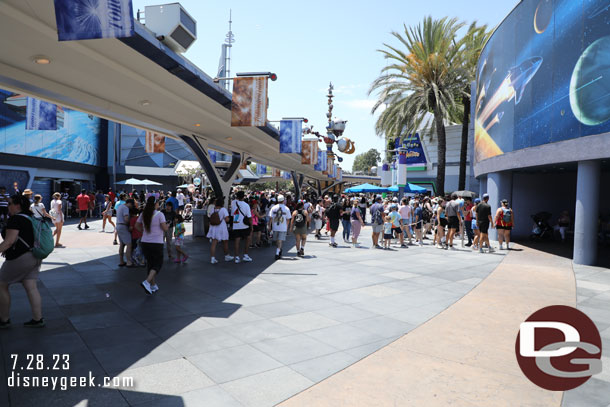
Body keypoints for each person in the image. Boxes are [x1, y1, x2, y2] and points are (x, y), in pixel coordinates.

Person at [0, 194, 45, 328]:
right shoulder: (30, 217)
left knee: (1, 285)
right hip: (35, 256)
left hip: (20, 258)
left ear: (17, 205)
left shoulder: (15, 220)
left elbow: (9, 242)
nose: (8, 206)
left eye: (10, 204)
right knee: (31, 287)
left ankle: (4, 319)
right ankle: (38, 319)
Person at [136, 197, 168, 295]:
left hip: (145, 242)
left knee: (150, 263)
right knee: (158, 263)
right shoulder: (160, 214)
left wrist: (144, 232)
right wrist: (168, 226)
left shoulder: (143, 214)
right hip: (156, 243)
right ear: (155, 204)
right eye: (158, 203)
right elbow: (165, 228)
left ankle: (153, 285)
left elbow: (137, 226)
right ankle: (146, 282)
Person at [207, 197, 232, 264]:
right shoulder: (223, 210)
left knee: (214, 243)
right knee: (225, 242)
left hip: (213, 227)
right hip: (221, 227)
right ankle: (227, 256)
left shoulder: (213, 209)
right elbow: (227, 219)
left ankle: (212, 258)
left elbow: (210, 216)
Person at [231, 190, 253, 263]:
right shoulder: (246, 205)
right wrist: (251, 226)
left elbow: (232, 214)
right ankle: (245, 255)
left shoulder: (233, 203)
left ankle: (236, 257)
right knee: (248, 239)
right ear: (243, 197)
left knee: (237, 241)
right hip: (245, 225)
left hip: (236, 224)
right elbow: (249, 217)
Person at [269, 194, 292, 260]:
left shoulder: (273, 208)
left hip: (275, 227)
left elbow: (270, 218)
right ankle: (278, 250)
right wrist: (287, 226)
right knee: (279, 241)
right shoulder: (286, 208)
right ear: (283, 200)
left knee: (277, 240)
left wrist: (269, 226)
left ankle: (277, 252)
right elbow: (288, 219)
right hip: (283, 227)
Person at [116, 198, 135, 267]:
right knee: (129, 244)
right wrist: (131, 222)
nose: (131, 207)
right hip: (123, 226)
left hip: (118, 226)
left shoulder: (120, 207)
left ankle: (121, 261)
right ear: (129, 203)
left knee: (122, 244)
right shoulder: (125, 208)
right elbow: (126, 219)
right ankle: (129, 262)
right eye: (132, 205)